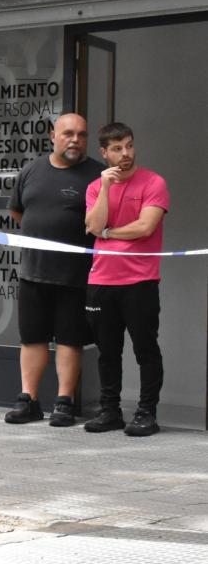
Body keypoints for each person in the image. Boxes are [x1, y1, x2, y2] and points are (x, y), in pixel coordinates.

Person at [5, 113, 101, 427]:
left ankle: (64, 402)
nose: (75, 140)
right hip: (33, 272)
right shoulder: (32, 170)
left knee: (69, 340)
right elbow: (18, 211)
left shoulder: (97, 176)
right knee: (31, 338)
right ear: (52, 136)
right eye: (68, 133)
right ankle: (28, 399)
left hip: (75, 276)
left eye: (82, 135)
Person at [82, 122, 169, 437]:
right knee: (107, 351)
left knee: (145, 348)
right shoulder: (95, 188)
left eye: (129, 146)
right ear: (104, 153)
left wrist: (108, 233)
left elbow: (145, 227)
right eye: (117, 149)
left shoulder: (153, 182)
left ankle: (147, 412)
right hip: (102, 281)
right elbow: (93, 225)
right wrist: (105, 188)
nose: (125, 154)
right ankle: (110, 411)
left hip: (140, 281)